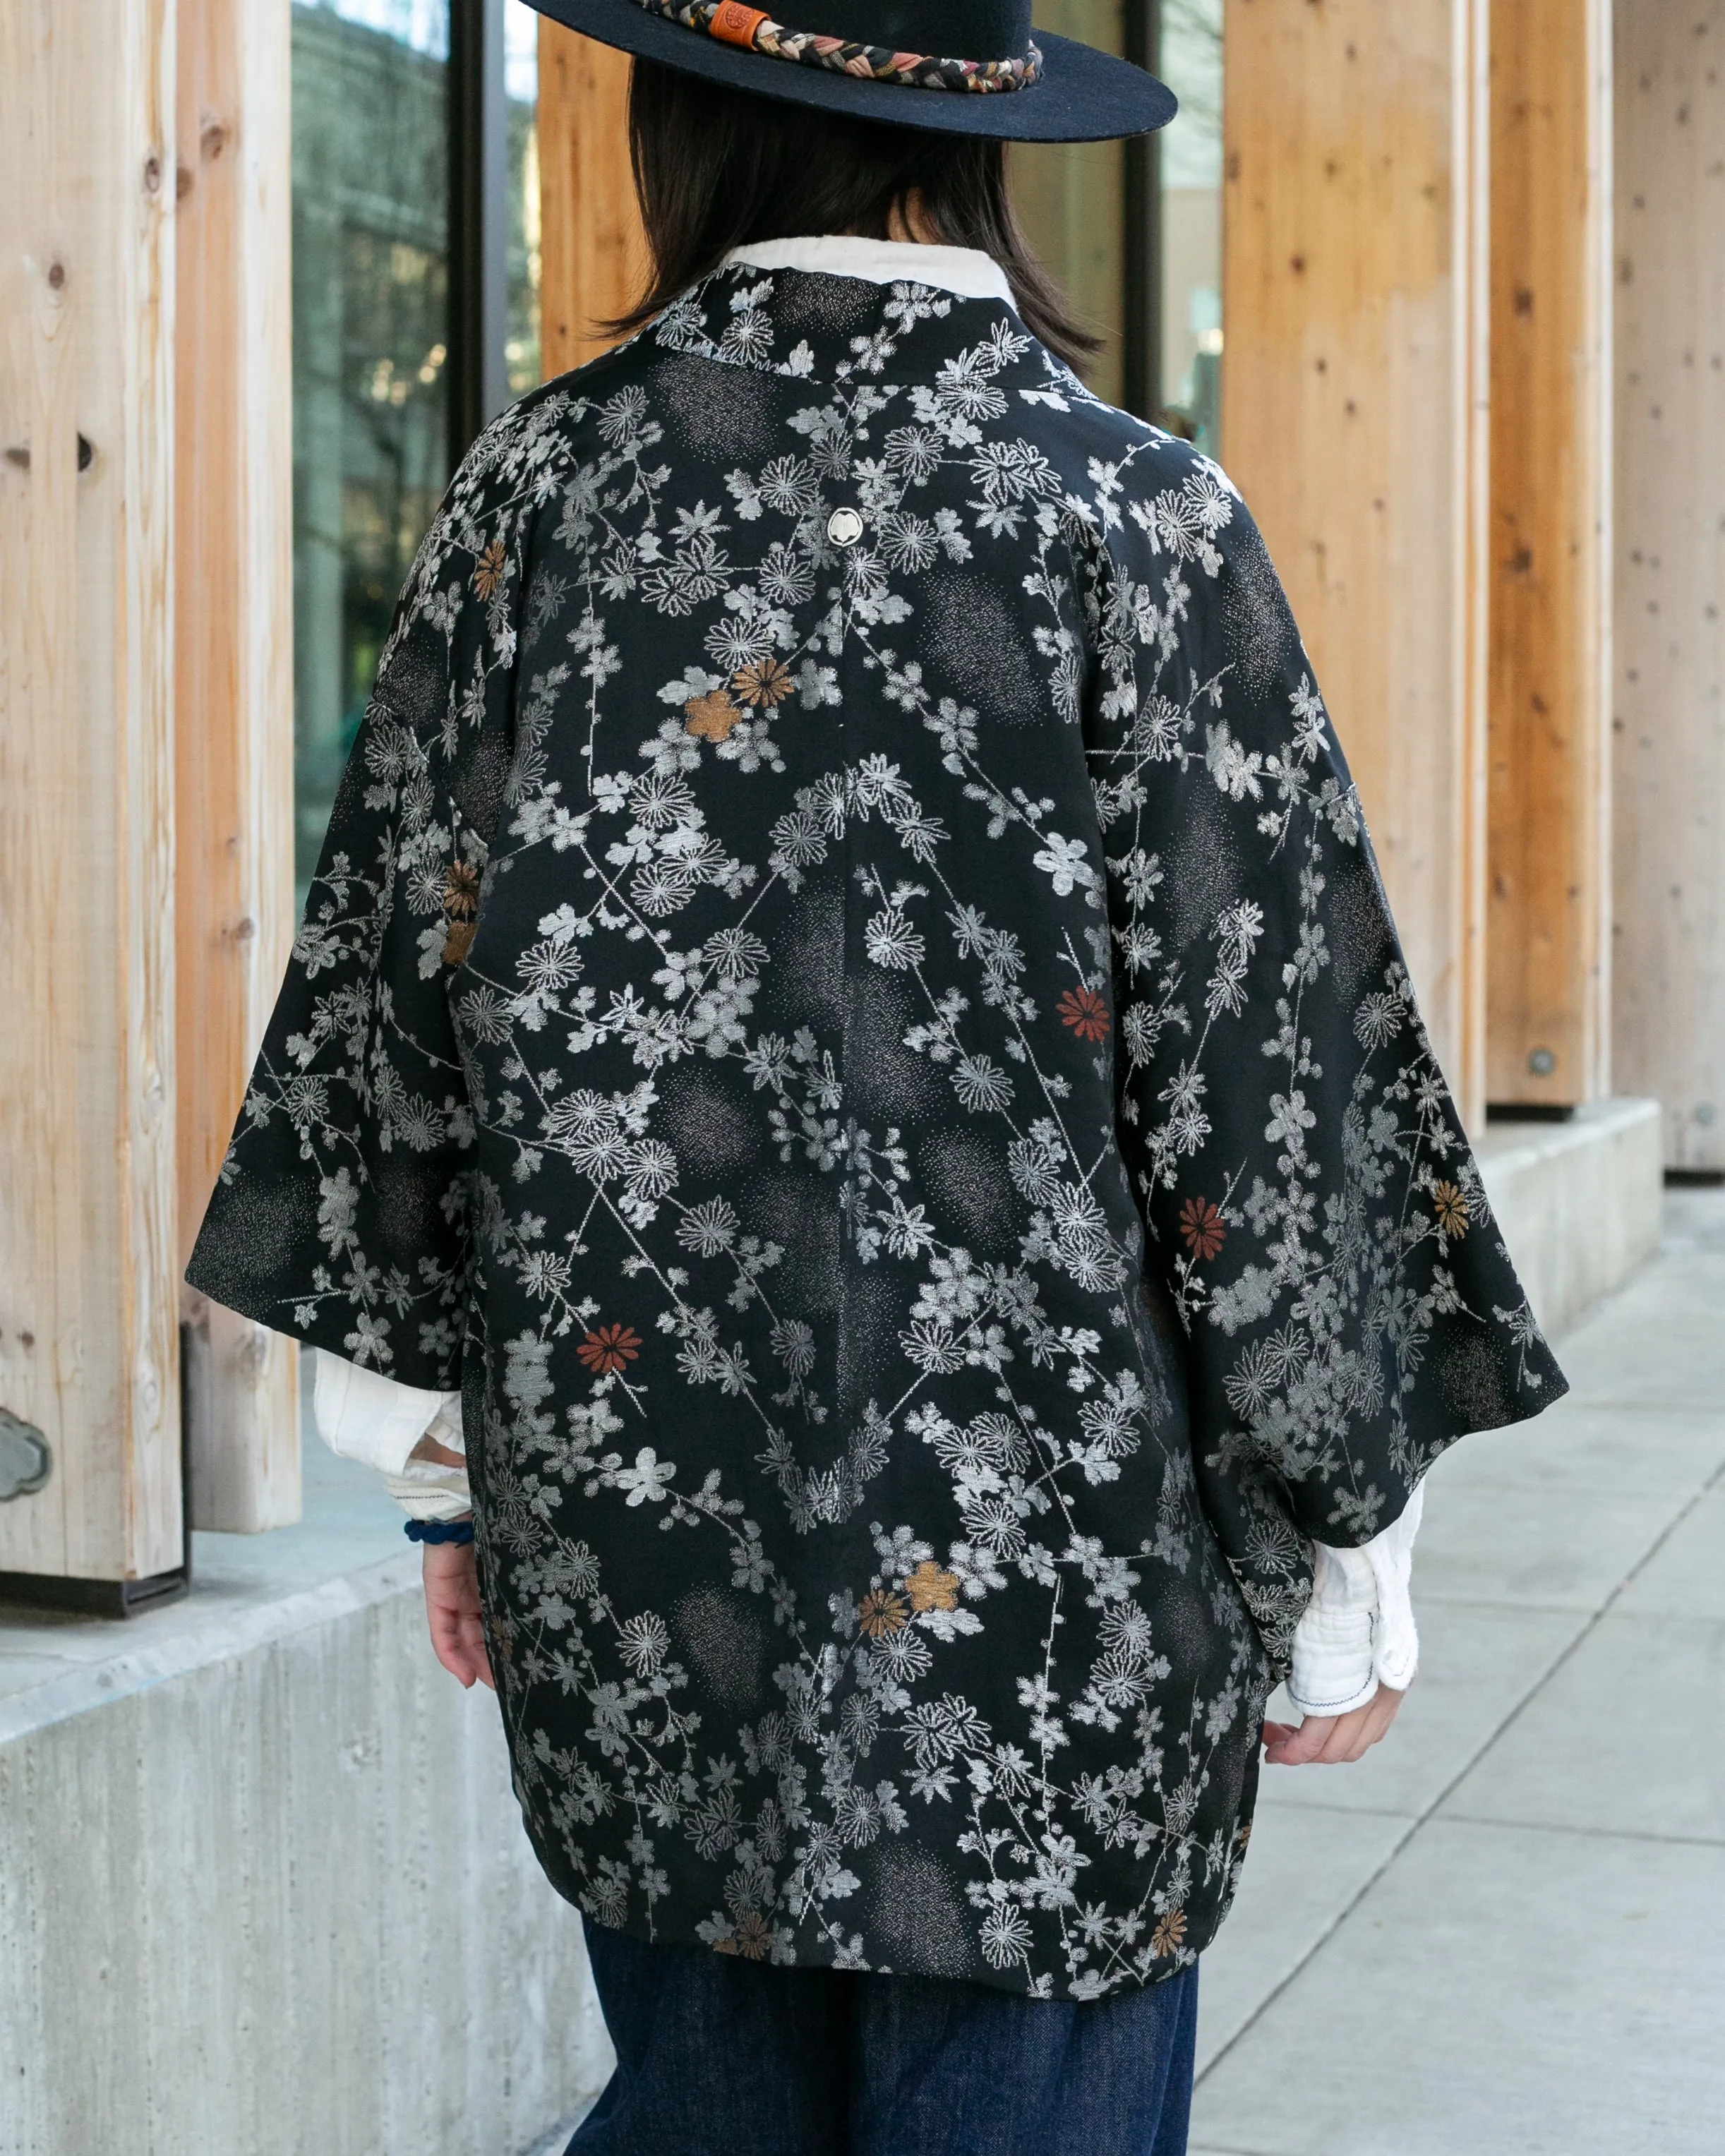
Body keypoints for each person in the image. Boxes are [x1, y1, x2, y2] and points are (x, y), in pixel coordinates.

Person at [188, 4, 1566, 2148]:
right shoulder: (1129, 517)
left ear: (687, 127)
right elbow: (1267, 1073)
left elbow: (410, 1019)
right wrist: (1341, 1541)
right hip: (1061, 1580)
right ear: (978, 146)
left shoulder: (539, 494)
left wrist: (456, 1463)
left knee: (702, 2100)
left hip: (647, 1533)